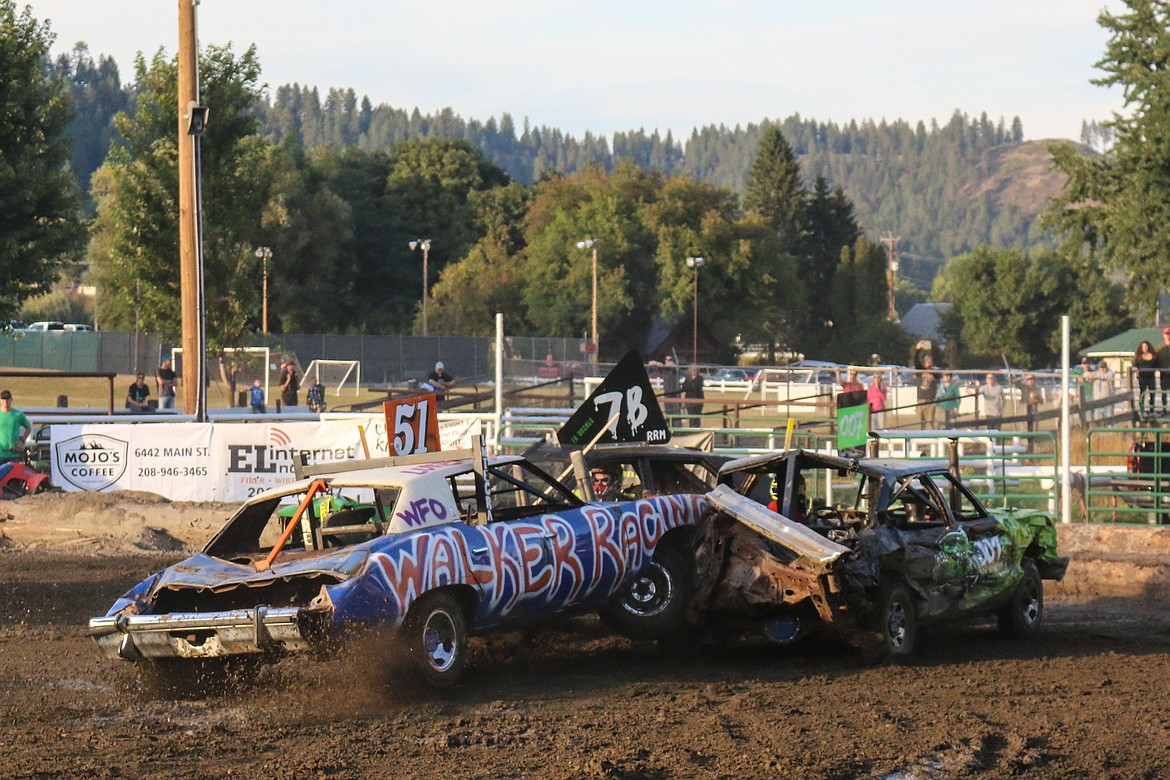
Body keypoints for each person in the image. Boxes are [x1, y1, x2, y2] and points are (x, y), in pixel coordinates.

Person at [0, 390, 31, 463]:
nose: (5, 401)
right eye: (3, 399)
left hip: (13, 455)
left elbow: (28, 428)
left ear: (11, 400)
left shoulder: (18, 415)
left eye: (7, 399)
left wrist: (22, 440)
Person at [1133, 340, 1158, 416]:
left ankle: (1151, 410)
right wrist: (1136, 370)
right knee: (1142, 394)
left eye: (1146, 346)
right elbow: (1135, 365)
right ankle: (1142, 410)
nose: (1145, 348)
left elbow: (1157, 365)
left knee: (1152, 394)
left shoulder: (1153, 356)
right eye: (1143, 347)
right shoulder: (1139, 357)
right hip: (1142, 378)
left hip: (1151, 377)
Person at [916, 355, 940, 429]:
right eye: (927, 361)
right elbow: (916, 362)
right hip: (921, 401)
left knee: (930, 424)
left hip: (930, 401)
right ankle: (919, 439)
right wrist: (918, 350)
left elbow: (938, 376)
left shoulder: (935, 373)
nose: (928, 363)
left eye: (930, 361)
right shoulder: (920, 372)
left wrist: (930, 370)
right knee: (919, 423)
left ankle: (930, 439)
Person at [1158, 327, 1170, 412]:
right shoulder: (1159, 348)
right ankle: (1164, 410)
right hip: (1164, 375)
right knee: (1164, 393)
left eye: (1169, 334)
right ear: (1163, 335)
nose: (1168, 336)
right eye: (1166, 334)